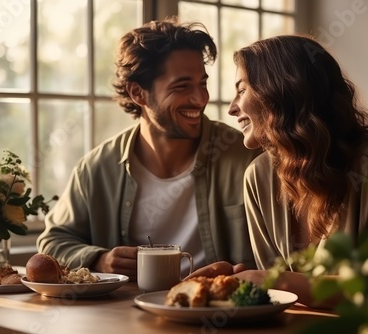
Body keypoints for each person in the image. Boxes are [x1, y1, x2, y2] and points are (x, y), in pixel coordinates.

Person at [185, 34, 368, 307]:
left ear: (280, 91)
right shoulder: (258, 176)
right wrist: (234, 279)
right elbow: (280, 301)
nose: (231, 108)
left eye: (242, 90)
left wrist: (279, 281)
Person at [37, 17, 261, 281]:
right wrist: (100, 259)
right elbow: (52, 242)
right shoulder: (97, 168)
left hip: (216, 311)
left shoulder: (246, 156)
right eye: (182, 86)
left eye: (202, 83)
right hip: (125, 314)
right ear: (138, 93)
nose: (201, 99)